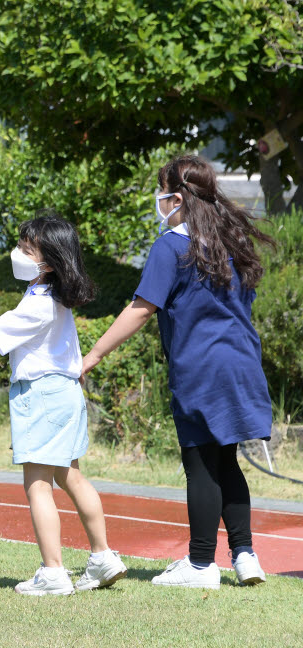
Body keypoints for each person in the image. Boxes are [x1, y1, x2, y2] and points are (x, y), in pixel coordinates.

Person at [81, 155, 273, 589]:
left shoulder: (172, 245)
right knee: (226, 459)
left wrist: (91, 354)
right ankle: (245, 556)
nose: (158, 200)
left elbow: (141, 309)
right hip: (242, 362)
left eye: (161, 192)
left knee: (200, 462)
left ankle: (201, 564)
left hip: (200, 367)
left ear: (176, 197)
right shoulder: (233, 240)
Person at [0, 212, 128, 596]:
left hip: (41, 396)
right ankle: (102, 557)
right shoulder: (55, 297)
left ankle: (53, 572)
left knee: (37, 486)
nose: (17, 252)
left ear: (48, 262)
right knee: (71, 476)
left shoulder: (39, 303)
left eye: (25, 249)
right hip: (66, 393)